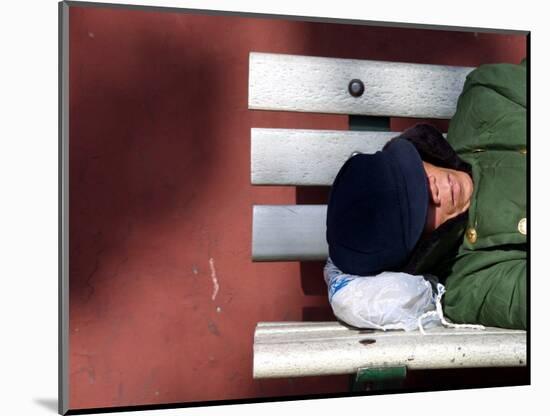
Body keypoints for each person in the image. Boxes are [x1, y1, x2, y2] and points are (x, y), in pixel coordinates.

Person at [326, 58, 526, 330]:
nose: (433, 189)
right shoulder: (468, 283)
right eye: (421, 207)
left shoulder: (486, 97)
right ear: (421, 248)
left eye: (415, 175)